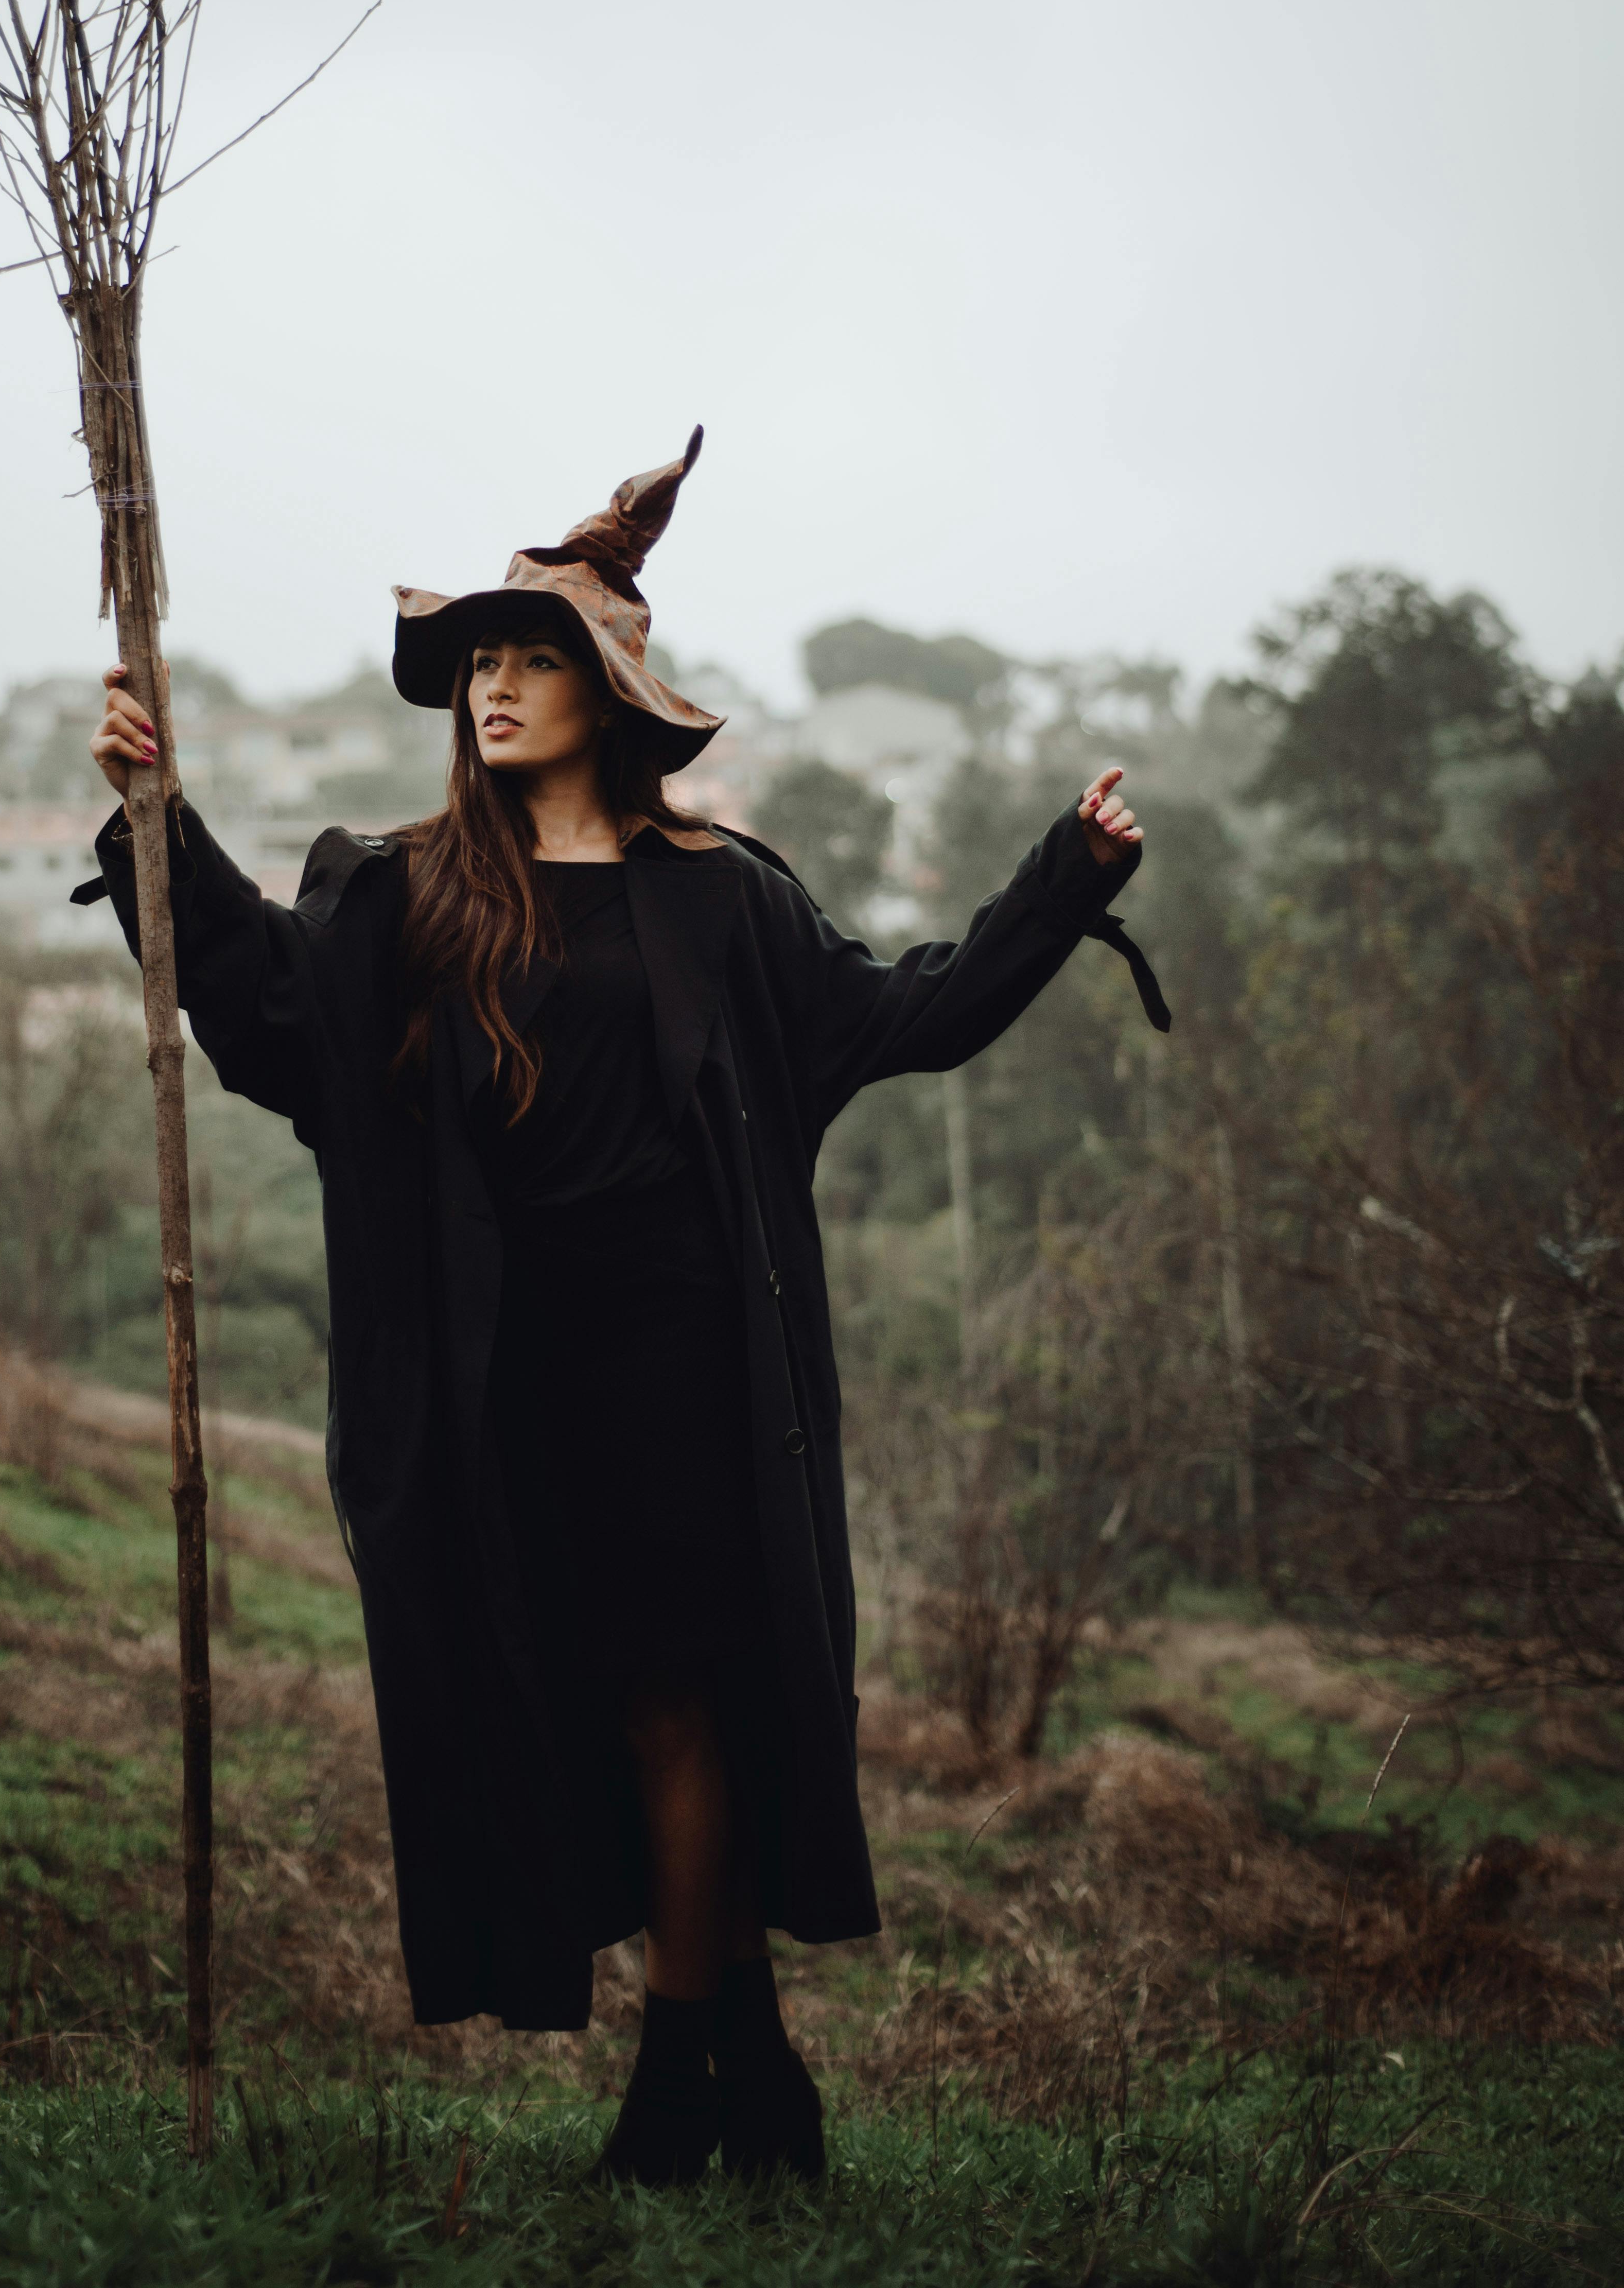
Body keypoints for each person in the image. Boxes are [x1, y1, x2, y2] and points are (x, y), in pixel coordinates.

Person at [82, 429, 1163, 2186]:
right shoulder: (409, 889)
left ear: (609, 689)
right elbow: (287, 1025)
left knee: (682, 1701)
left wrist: (1065, 880)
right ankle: (757, 2058)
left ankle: (675, 2081)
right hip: (513, 1379)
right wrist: (158, 819)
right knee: (595, 1703)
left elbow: (913, 1018)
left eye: (529, 661)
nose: (495, 691)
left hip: (690, 1368)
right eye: (478, 668)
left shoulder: (720, 897)